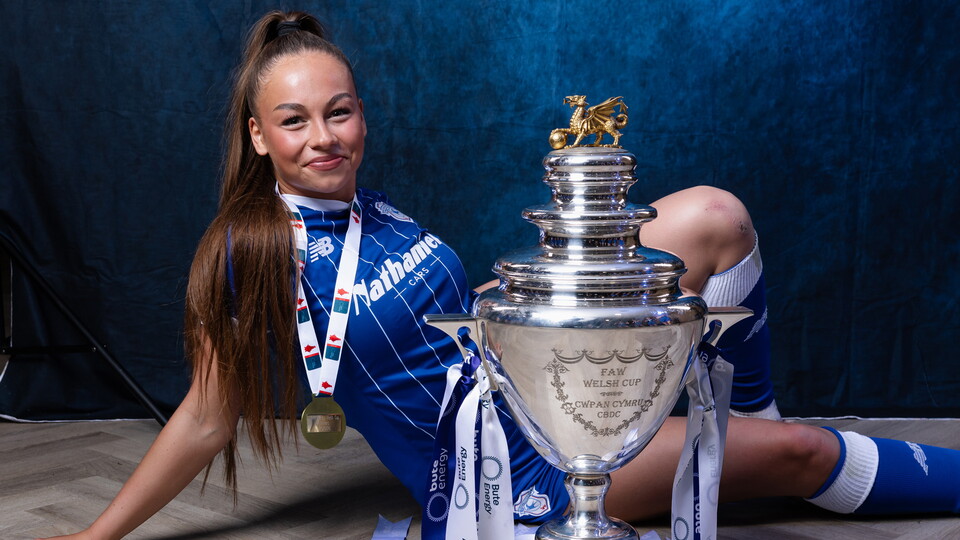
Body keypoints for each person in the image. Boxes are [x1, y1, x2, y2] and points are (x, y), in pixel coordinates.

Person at [43, 10, 959, 540]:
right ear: (257, 137)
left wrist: (489, 306)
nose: (324, 138)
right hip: (507, 464)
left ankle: (751, 415)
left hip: (526, 375)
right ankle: (773, 445)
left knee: (710, 215)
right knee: (802, 459)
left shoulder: (373, 209)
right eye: (294, 121)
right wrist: (96, 536)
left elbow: (417, 311)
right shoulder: (247, 248)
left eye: (340, 111)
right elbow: (206, 415)